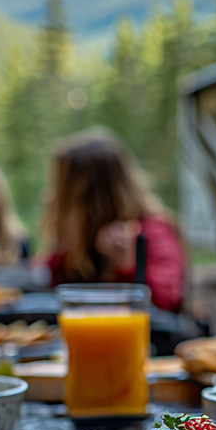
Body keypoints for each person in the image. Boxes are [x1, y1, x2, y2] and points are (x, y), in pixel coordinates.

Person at [40, 128, 185, 312]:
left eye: (60, 186)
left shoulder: (151, 231)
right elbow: (56, 287)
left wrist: (128, 267)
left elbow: (167, 303)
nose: (51, 197)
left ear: (85, 194)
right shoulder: (77, 239)